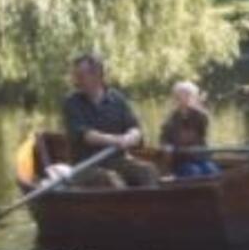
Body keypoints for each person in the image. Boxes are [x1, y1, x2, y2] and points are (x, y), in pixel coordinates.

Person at [62, 53, 159, 188]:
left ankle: (150, 201)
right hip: (86, 165)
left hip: (116, 160)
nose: (76, 81)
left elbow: (135, 129)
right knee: (110, 180)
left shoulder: (117, 99)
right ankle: (127, 201)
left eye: (80, 76)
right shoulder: (72, 103)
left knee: (148, 171)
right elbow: (86, 135)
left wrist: (130, 137)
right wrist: (115, 140)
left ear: (97, 75)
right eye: (75, 76)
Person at [159, 80, 219, 178]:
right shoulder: (171, 119)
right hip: (181, 160)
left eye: (189, 95)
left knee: (211, 169)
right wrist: (168, 148)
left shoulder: (199, 116)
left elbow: (205, 122)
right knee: (194, 171)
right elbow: (164, 140)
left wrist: (196, 107)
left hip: (199, 157)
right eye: (182, 96)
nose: (185, 99)